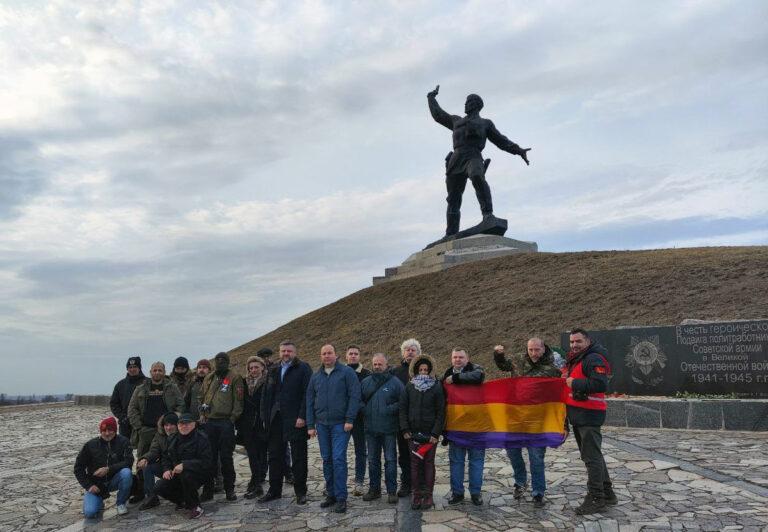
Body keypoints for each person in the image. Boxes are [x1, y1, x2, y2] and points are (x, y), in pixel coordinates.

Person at [427, 85, 531, 236]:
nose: (465, 104)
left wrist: (518, 150)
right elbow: (438, 115)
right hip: (456, 158)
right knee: (453, 198)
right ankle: (451, 232)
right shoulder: (456, 121)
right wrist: (431, 98)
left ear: (476, 104)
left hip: (473, 155)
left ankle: (488, 214)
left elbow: (501, 141)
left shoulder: (485, 123)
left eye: (468, 101)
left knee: (477, 176)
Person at [494, 338, 562, 507]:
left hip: (538, 421)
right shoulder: (518, 361)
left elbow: (558, 396)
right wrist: (498, 355)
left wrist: (562, 423)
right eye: (530, 349)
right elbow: (503, 366)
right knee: (513, 451)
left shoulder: (552, 369)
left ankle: (538, 492)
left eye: (537, 349)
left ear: (543, 348)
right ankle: (520, 482)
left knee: (536, 457)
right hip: (515, 417)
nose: (533, 353)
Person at [564, 328, 616, 515]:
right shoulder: (578, 359)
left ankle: (596, 498)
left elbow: (601, 384)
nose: (574, 345)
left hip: (589, 415)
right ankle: (607, 493)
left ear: (587, 341)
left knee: (591, 458)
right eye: (571, 342)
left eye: (578, 341)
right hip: (580, 414)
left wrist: (574, 383)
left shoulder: (593, 358)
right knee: (594, 455)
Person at [306, 344, 361, 514]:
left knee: (338, 459)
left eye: (330, 353)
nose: (327, 356)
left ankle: (341, 498)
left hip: (340, 424)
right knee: (327, 459)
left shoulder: (347, 373)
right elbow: (309, 400)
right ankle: (331, 494)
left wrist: (349, 419)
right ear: (320, 356)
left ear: (336, 355)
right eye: (324, 353)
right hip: (322, 425)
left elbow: (354, 396)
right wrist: (310, 425)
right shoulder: (316, 377)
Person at [258, 340, 312, 505]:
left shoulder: (303, 368)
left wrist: (303, 416)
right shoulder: (273, 369)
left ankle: (300, 492)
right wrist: (264, 417)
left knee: (298, 457)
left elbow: (307, 394)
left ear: (294, 352)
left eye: (289, 351)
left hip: (296, 420)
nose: (286, 354)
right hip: (275, 419)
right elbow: (266, 395)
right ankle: (274, 491)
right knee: (274, 456)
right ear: (279, 353)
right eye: (283, 351)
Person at [399, 354, 445, 511]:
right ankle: (416, 495)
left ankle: (428, 495)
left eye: (426, 369)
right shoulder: (409, 386)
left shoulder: (437, 386)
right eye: (421, 369)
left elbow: (441, 412)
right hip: (412, 435)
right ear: (416, 370)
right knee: (415, 465)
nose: (424, 372)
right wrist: (405, 429)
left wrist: (436, 433)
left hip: (430, 436)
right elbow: (403, 409)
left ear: (430, 370)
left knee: (429, 464)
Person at [198, 351, 244, 502]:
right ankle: (208, 490)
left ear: (228, 361)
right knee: (209, 459)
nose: (220, 362)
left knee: (226, 458)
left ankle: (229, 489)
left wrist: (232, 418)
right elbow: (202, 396)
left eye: (223, 360)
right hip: (209, 423)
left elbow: (238, 401)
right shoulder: (209, 377)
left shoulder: (234, 377)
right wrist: (202, 414)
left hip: (225, 422)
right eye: (217, 360)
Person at [443, 348, 486, 506]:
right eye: (455, 357)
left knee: (476, 462)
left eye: (461, 357)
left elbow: (479, 377)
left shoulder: (476, 369)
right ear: (451, 359)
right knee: (456, 462)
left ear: (467, 359)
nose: (458, 360)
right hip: (456, 427)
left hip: (477, 426)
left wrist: (455, 378)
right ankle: (457, 493)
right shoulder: (445, 374)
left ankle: (476, 493)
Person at [360, 353, 404, 504]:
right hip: (371, 429)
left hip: (389, 429)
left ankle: (392, 491)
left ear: (386, 365)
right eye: (375, 364)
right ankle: (374, 490)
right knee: (372, 461)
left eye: (380, 364)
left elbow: (403, 401)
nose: (377, 366)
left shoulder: (395, 382)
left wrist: (389, 409)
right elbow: (358, 400)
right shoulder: (365, 382)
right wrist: (365, 410)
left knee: (390, 460)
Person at [153, 413, 212, 519]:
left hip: (198, 473)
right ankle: (182, 500)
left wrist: (185, 465)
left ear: (194, 424)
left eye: (187, 423)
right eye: (181, 424)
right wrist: (166, 469)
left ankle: (195, 506)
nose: (184, 426)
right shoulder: (172, 438)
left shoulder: (201, 438)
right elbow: (166, 457)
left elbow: (206, 462)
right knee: (159, 487)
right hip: (177, 472)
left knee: (186, 475)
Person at [74, 417, 134, 518]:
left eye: (110, 430)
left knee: (126, 473)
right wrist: (89, 486)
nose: (107, 433)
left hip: (115, 479)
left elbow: (129, 461)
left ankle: (121, 503)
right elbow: (78, 468)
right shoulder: (90, 445)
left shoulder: (124, 442)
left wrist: (108, 469)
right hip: (96, 485)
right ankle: (98, 501)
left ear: (115, 430)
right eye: (104, 431)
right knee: (90, 513)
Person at [128, 362, 184, 459]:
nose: (157, 372)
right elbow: (132, 409)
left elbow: (181, 405)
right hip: (145, 431)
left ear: (164, 372)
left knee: (168, 459)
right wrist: (139, 427)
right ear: (150, 372)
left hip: (166, 431)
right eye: (155, 370)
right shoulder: (140, 389)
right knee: (142, 460)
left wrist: (173, 422)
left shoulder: (173, 388)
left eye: (160, 370)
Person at [391, 338, 422, 497]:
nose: (410, 352)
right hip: (402, 422)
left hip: (421, 422)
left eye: (413, 349)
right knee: (403, 454)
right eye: (407, 349)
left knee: (421, 453)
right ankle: (406, 483)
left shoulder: (425, 371)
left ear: (418, 353)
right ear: (403, 353)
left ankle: (421, 484)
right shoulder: (395, 372)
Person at [239, 355, 268, 499]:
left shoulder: (269, 381)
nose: (254, 370)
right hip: (248, 424)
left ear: (262, 367)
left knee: (262, 454)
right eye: (251, 368)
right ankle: (256, 483)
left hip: (263, 423)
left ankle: (257, 482)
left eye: (256, 367)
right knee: (252, 455)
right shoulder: (244, 383)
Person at [136, 412, 178, 509]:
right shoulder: (159, 435)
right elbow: (154, 451)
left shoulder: (183, 434)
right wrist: (145, 458)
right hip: (166, 467)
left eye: (172, 425)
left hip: (180, 467)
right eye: (166, 425)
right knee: (147, 465)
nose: (169, 428)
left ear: (177, 425)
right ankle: (151, 496)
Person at [345, 344, 371, 496]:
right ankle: (337, 482)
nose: (353, 356)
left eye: (356, 353)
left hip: (360, 419)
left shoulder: (366, 374)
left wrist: (358, 408)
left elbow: (368, 395)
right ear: (346, 356)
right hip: (343, 419)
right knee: (338, 452)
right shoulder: (340, 372)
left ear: (359, 356)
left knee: (361, 451)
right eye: (351, 353)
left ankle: (359, 482)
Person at [110, 356, 146, 440]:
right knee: (125, 449)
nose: (132, 369)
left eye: (135, 367)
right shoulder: (120, 385)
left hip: (143, 424)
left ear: (139, 368)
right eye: (130, 367)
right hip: (125, 424)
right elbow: (114, 404)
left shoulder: (147, 383)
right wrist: (122, 417)